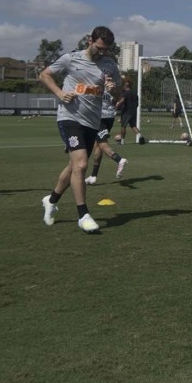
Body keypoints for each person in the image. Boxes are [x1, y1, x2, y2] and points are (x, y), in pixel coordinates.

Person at [38, 26, 122, 233]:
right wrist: (59, 93)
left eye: (106, 49)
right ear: (89, 41)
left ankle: (52, 200)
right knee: (82, 164)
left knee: (73, 166)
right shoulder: (70, 59)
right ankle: (83, 215)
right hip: (69, 118)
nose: (102, 52)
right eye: (99, 48)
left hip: (92, 122)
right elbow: (45, 75)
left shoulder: (110, 65)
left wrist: (114, 90)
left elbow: (118, 95)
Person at [84, 90, 128, 185]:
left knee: (102, 143)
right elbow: (115, 100)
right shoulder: (110, 86)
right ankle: (93, 176)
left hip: (99, 117)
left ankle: (119, 160)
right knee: (97, 145)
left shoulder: (95, 83)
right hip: (110, 116)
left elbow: (86, 94)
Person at [115, 79, 146, 145]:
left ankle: (122, 141)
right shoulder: (135, 94)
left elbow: (122, 100)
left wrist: (117, 106)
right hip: (133, 112)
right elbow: (137, 104)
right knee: (133, 125)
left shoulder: (125, 93)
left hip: (126, 112)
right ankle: (140, 136)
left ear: (125, 86)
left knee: (123, 126)